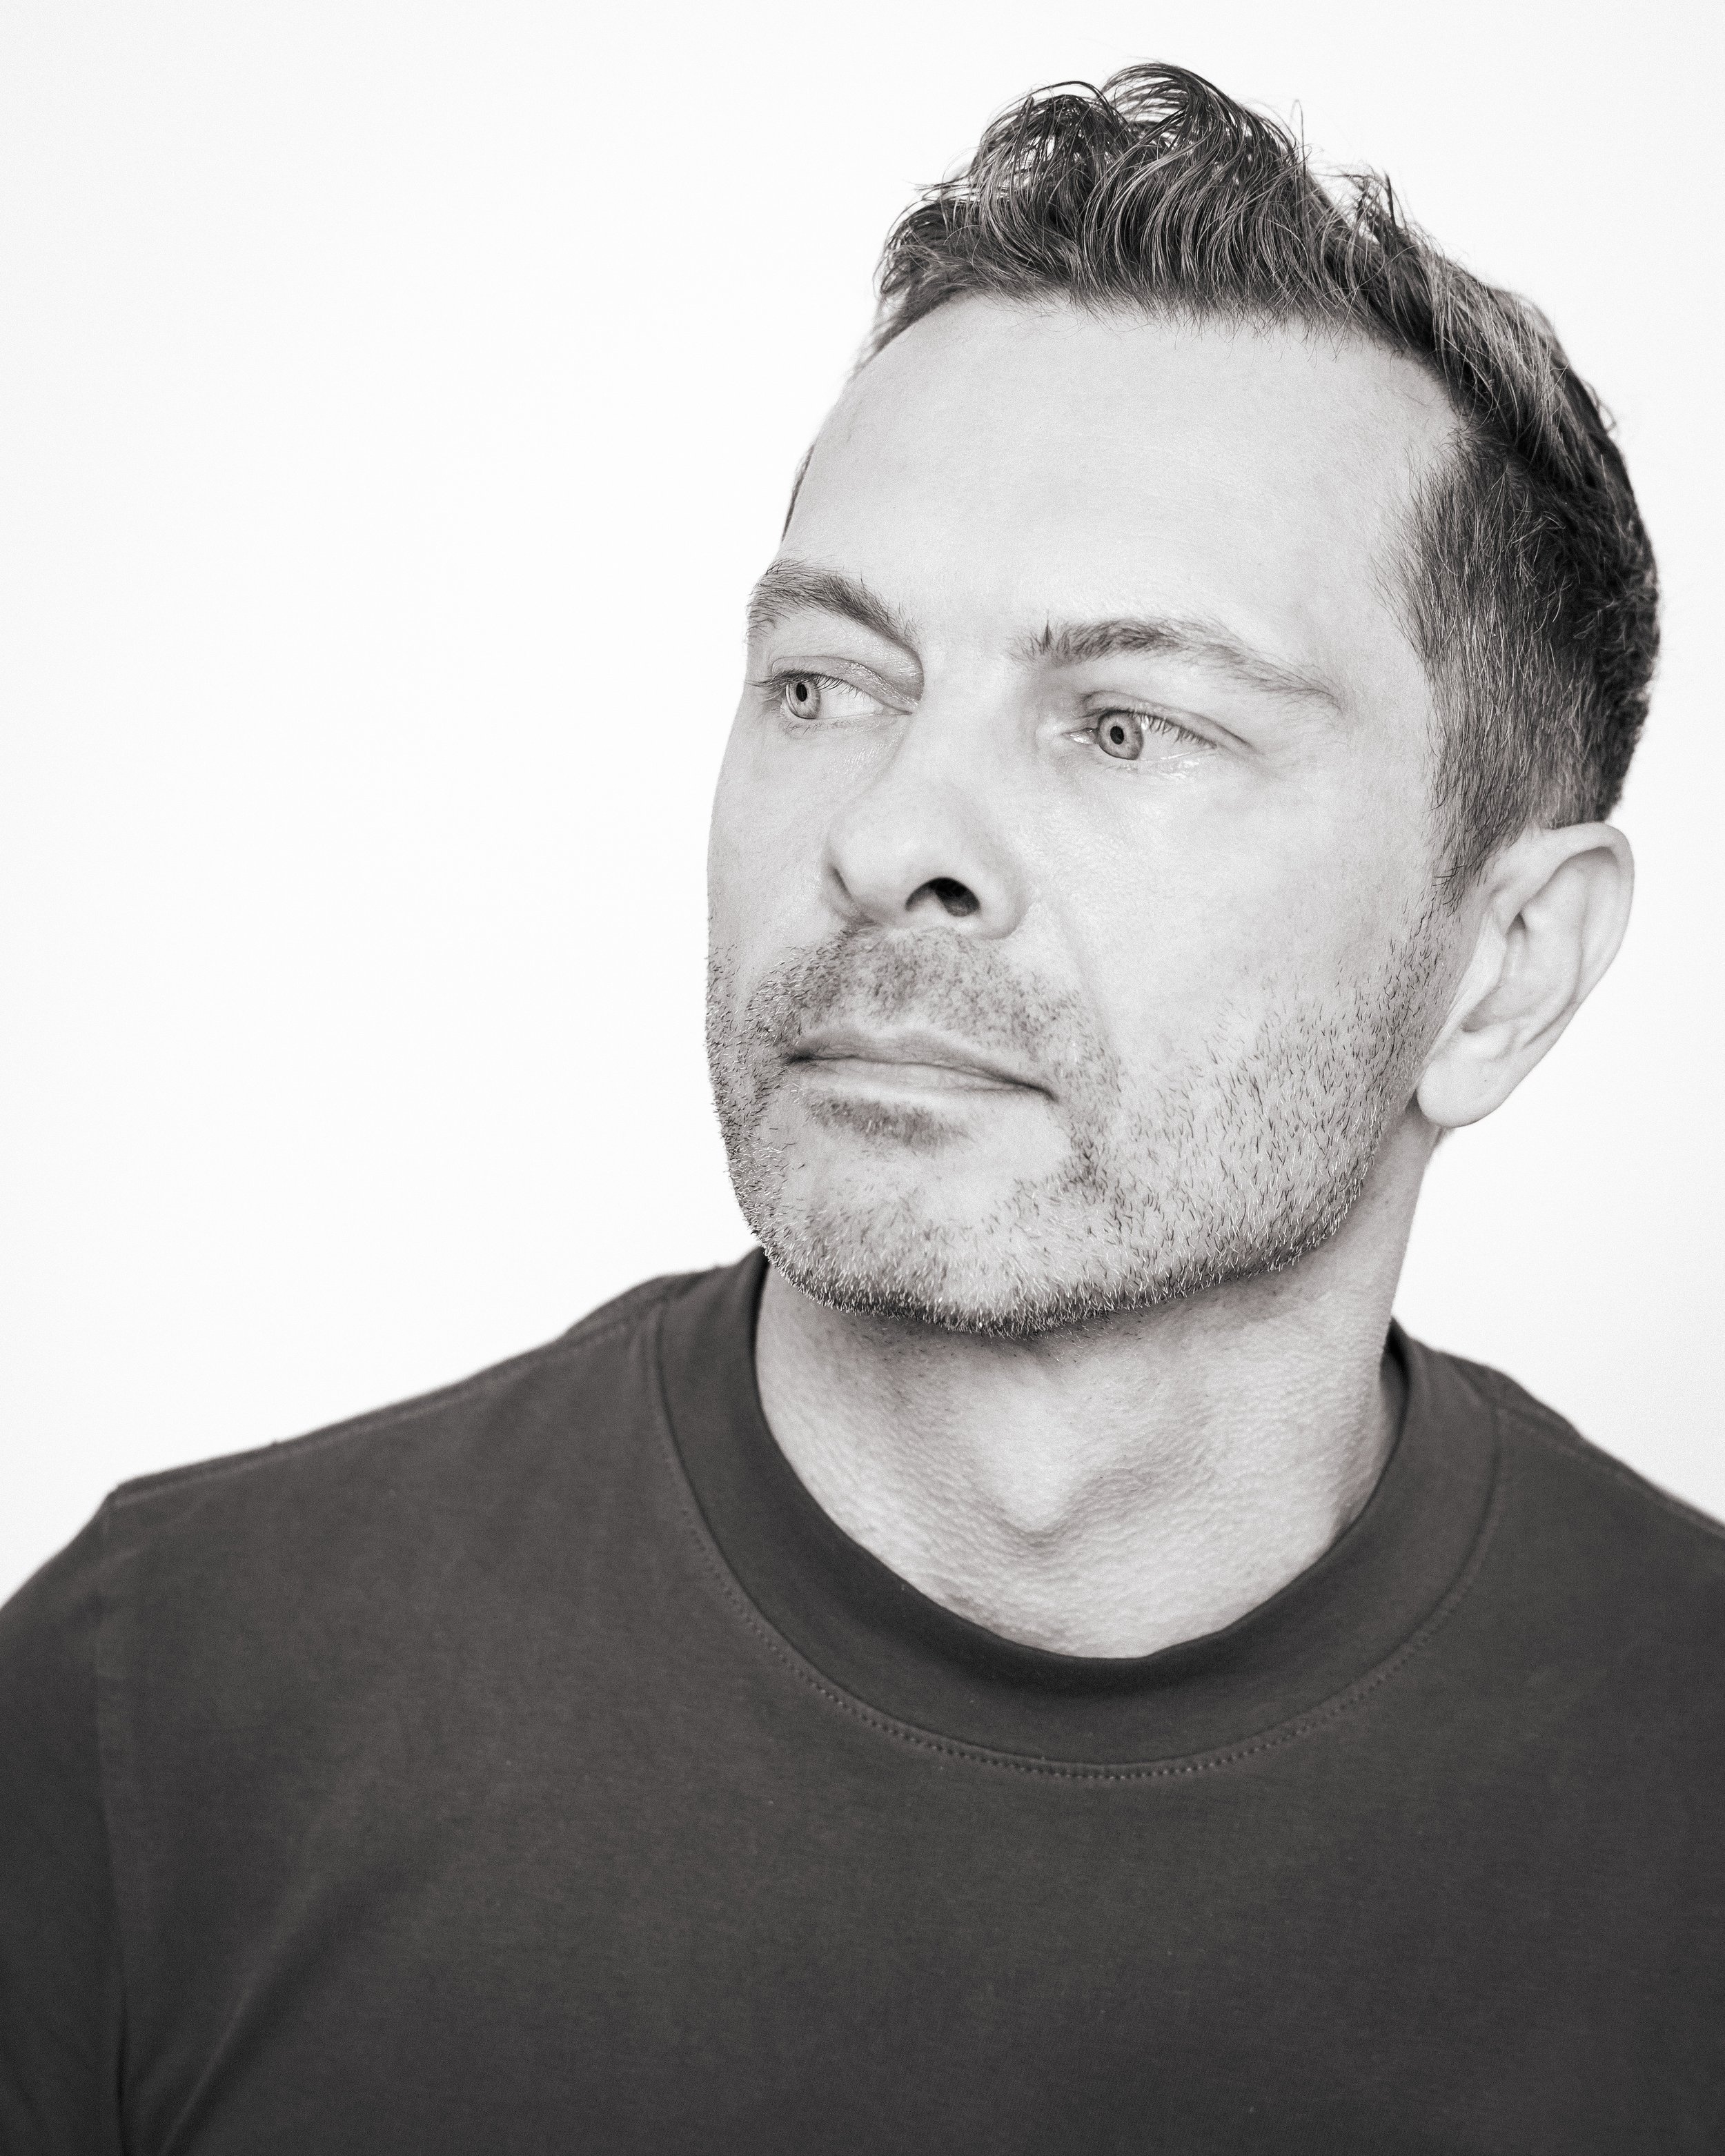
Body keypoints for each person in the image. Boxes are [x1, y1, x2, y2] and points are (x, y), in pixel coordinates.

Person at [1, 60, 1718, 2154]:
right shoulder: (158, 1712)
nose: (896, 829)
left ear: (1505, 970)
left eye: (1127, 724)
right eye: (827, 683)